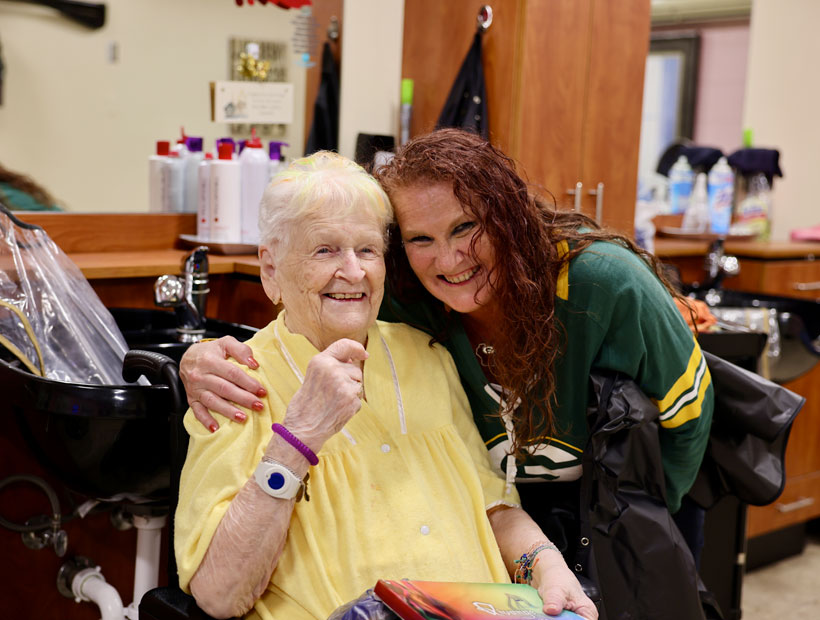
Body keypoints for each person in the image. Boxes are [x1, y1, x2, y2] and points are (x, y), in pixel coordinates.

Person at [180, 129, 713, 595]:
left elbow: (687, 420)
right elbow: (306, 322)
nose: (450, 258)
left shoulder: (594, 286)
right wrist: (203, 364)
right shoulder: (253, 378)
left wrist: (592, 541)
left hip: (619, 500)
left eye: (466, 228)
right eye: (324, 250)